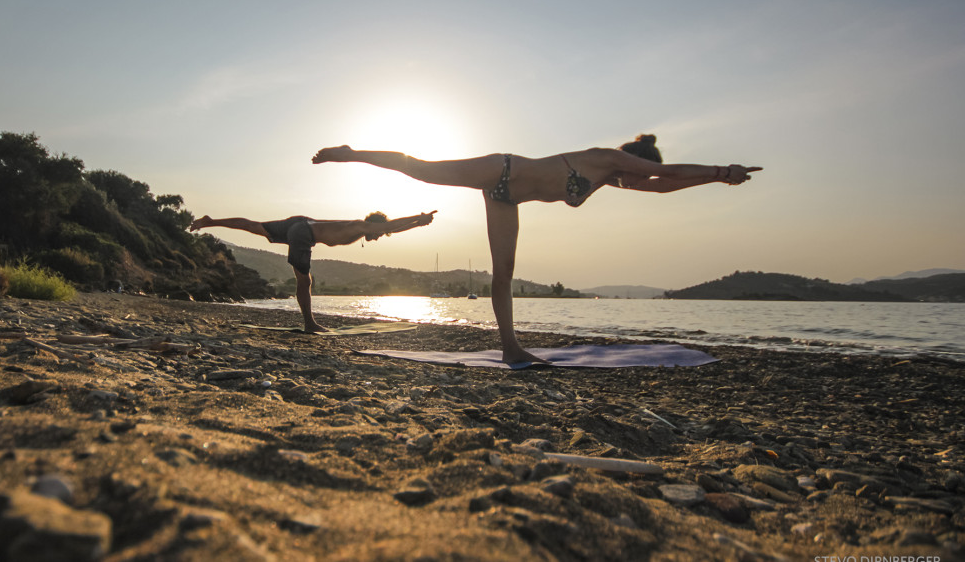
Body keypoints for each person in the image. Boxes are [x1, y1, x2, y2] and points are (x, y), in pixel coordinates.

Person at [313, 134, 761, 364]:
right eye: (642, 170)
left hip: (506, 197)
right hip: (499, 170)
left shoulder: (611, 177)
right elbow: (668, 172)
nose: (641, 179)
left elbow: (663, 188)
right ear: (636, 158)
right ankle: (350, 153)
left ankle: (510, 348)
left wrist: (716, 181)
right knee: (420, 170)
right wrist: (723, 169)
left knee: (503, 272)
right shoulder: (608, 158)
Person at [189, 210, 436, 333]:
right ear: (375, 225)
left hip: (300, 223)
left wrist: (418, 224)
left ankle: (211, 221)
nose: (378, 237)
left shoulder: (360, 227)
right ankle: (310, 324)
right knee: (305, 280)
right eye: (379, 232)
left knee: (253, 226)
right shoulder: (363, 225)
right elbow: (391, 225)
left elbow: (392, 228)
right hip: (303, 233)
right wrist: (419, 218)